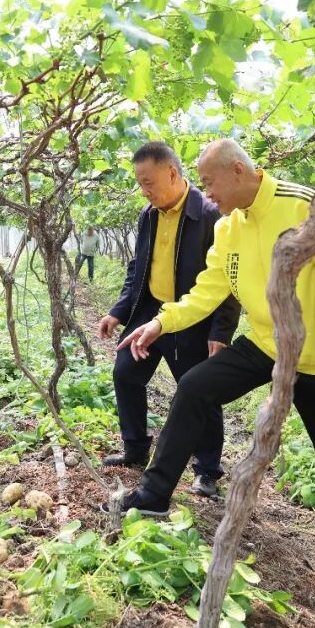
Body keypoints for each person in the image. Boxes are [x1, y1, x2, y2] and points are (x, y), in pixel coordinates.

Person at [113, 138, 315, 579]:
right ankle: (154, 494)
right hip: (266, 343)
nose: (206, 191)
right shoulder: (228, 227)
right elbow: (208, 291)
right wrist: (160, 323)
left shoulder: (301, 205)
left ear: (237, 170)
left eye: (209, 181)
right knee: (194, 387)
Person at [97, 141, 240, 497]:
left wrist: (221, 331)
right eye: (140, 184)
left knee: (199, 391)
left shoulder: (210, 215)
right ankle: (135, 447)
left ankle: (207, 469)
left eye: (148, 182)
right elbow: (138, 269)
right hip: (151, 315)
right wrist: (118, 312)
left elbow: (228, 280)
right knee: (125, 373)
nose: (144, 191)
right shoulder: (148, 215)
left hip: (192, 319)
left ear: (172, 173)